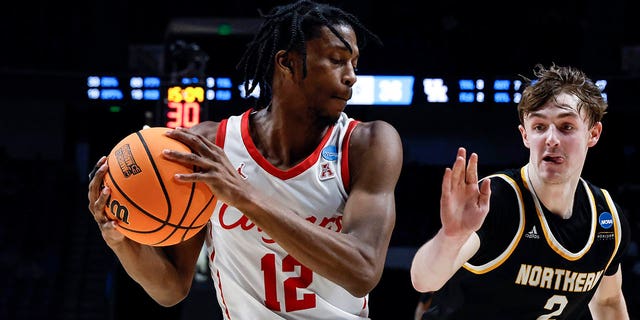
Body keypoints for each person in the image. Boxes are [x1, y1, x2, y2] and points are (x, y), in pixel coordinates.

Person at [88, 1, 402, 319]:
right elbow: (171, 288)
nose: (351, 77)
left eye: (354, 64)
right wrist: (120, 240)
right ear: (288, 63)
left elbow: (363, 271)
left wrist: (245, 195)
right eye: (337, 61)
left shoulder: (368, 143)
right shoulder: (211, 145)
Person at [409, 64, 631, 319]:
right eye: (539, 127)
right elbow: (424, 281)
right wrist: (450, 235)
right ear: (525, 136)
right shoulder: (497, 199)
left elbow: (608, 301)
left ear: (593, 133)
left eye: (566, 126)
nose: (551, 139)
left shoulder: (606, 218)